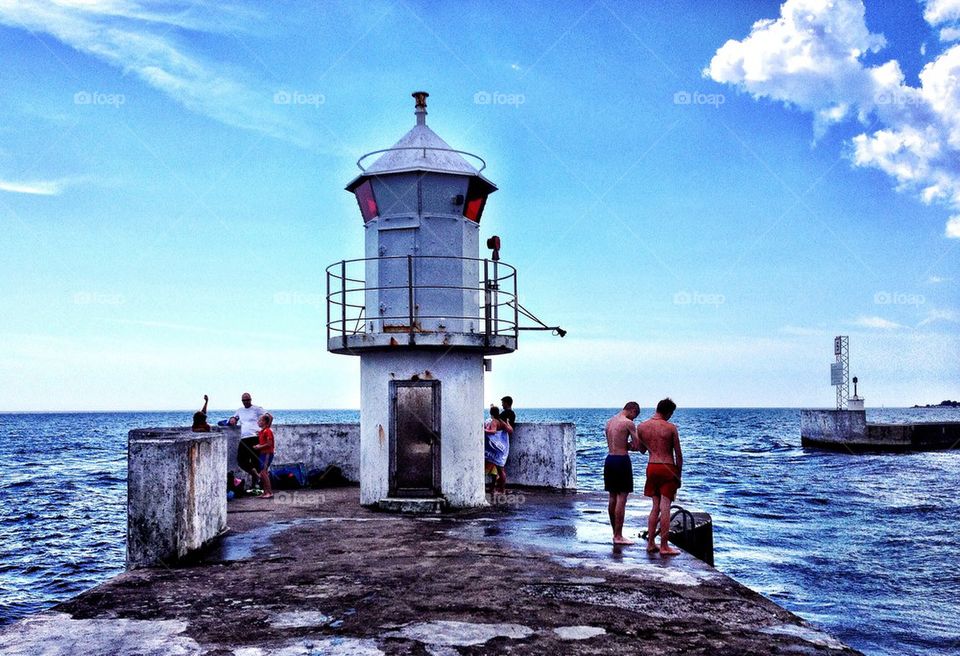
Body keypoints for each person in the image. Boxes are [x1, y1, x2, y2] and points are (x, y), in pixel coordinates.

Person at [638, 398, 683, 555]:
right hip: (667, 468)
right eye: (671, 413)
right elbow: (678, 454)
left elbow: (641, 449)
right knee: (665, 508)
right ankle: (664, 546)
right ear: (668, 412)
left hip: (651, 467)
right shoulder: (670, 428)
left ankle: (650, 543)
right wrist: (678, 476)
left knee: (655, 507)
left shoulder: (642, 426)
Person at [604, 401, 643, 545]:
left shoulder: (609, 422)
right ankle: (619, 536)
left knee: (612, 496)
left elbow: (613, 441)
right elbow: (637, 445)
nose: (634, 419)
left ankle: (615, 533)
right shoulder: (628, 423)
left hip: (609, 459)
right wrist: (631, 446)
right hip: (621, 460)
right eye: (635, 416)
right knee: (622, 497)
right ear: (632, 410)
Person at [229, 392, 265, 489]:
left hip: (255, 438)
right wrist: (232, 419)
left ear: (251, 399)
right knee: (241, 461)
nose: (246, 402)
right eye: (244, 400)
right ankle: (256, 475)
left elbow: (268, 417)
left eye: (247, 400)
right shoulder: (240, 410)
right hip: (244, 439)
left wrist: (264, 430)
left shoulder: (257, 409)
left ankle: (256, 486)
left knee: (255, 462)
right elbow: (234, 418)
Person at [484, 405, 513, 493]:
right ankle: (502, 490)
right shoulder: (501, 421)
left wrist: (483, 430)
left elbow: (493, 432)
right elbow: (510, 430)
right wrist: (507, 422)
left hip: (494, 448)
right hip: (501, 449)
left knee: (488, 466)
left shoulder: (494, 421)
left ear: (490, 413)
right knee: (501, 470)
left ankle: (490, 488)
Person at [252, 413, 275, 499]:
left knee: (264, 473)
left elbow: (269, 444)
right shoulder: (262, 431)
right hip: (263, 453)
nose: (258, 422)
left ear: (265, 422)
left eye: (260, 420)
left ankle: (269, 492)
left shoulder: (267, 431)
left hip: (267, 453)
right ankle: (265, 492)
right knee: (262, 472)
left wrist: (259, 447)